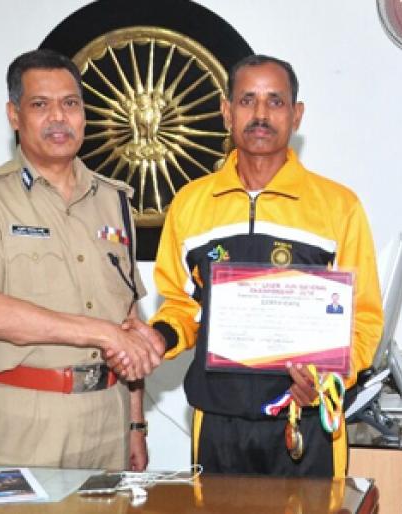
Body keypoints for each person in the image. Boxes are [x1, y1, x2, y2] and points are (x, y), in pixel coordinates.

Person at [148, 54, 382, 478]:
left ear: (297, 115)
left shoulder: (338, 206)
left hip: (308, 422)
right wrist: (156, 338)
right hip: (218, 421)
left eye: (275, 102)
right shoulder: (191, 203)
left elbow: (363, 318)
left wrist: (328, 380)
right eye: (247, 101)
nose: (260, 114)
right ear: (226, 111)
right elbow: (181, 306)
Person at [0, 48, 165, 470]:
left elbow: (128, 319)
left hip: (107, 420)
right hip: (23, 422)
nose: (58, 118)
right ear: (14, 115)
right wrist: (102, 334)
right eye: (40, 105)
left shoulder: (114, 201)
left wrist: (135, 425)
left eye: (70, 104)